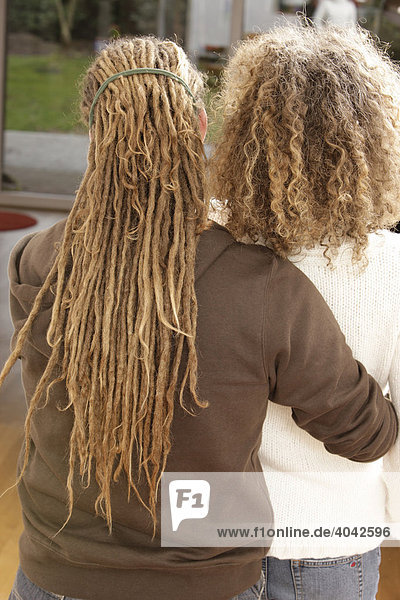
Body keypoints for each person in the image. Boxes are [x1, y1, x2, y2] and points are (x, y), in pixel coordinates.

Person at [0, 35, 397, 600]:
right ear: (202, 124)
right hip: (212, 573)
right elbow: (366, 434)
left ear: (93, 129)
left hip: (54, 570)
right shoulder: (263, 283)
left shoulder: (36, 258)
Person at [209, 24, 400, 600]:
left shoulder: (202, 245)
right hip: (335, 532)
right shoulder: (392, 268)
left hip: (209, 526)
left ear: (243, 133)